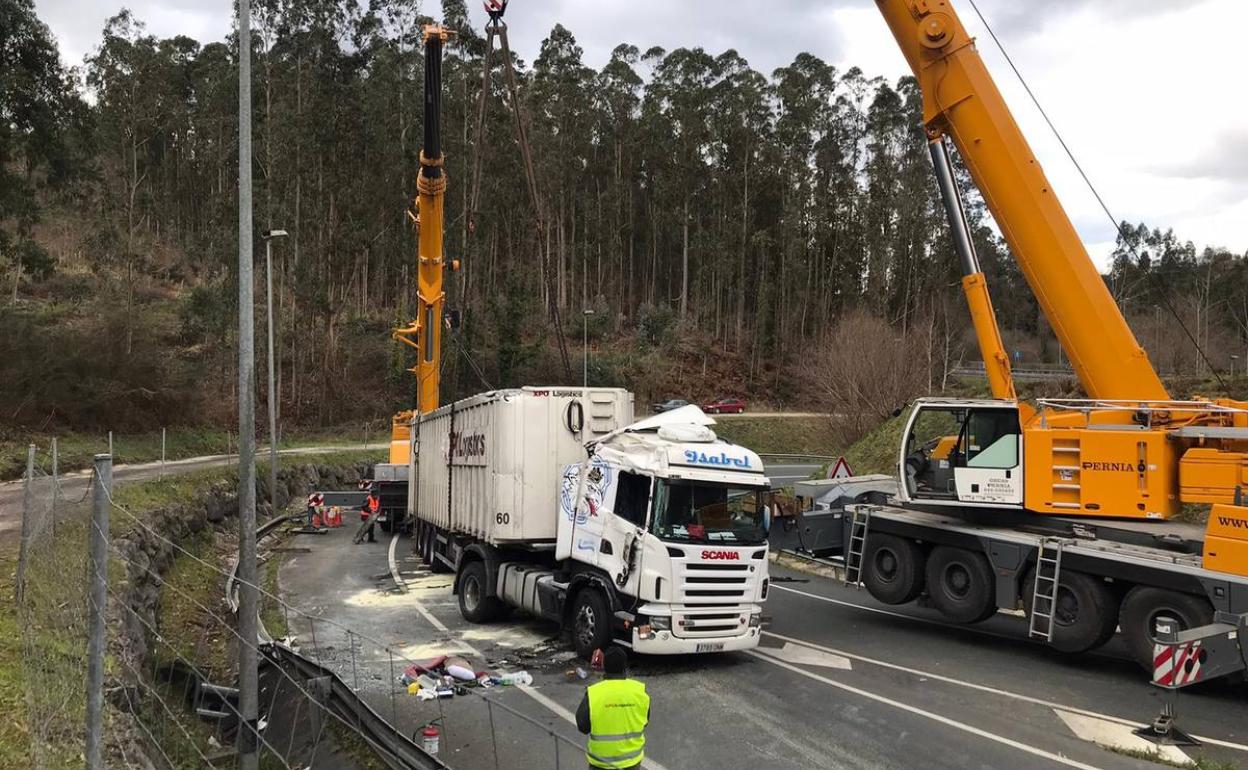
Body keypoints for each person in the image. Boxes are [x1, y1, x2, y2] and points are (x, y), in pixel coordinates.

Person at [576, 647, 649, 770]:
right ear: (624, 666)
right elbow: (644, 721)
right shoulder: (639, 692)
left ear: (604, 666)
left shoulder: (594, 693)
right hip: (631, 763)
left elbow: (583, 726)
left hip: (601, 764)